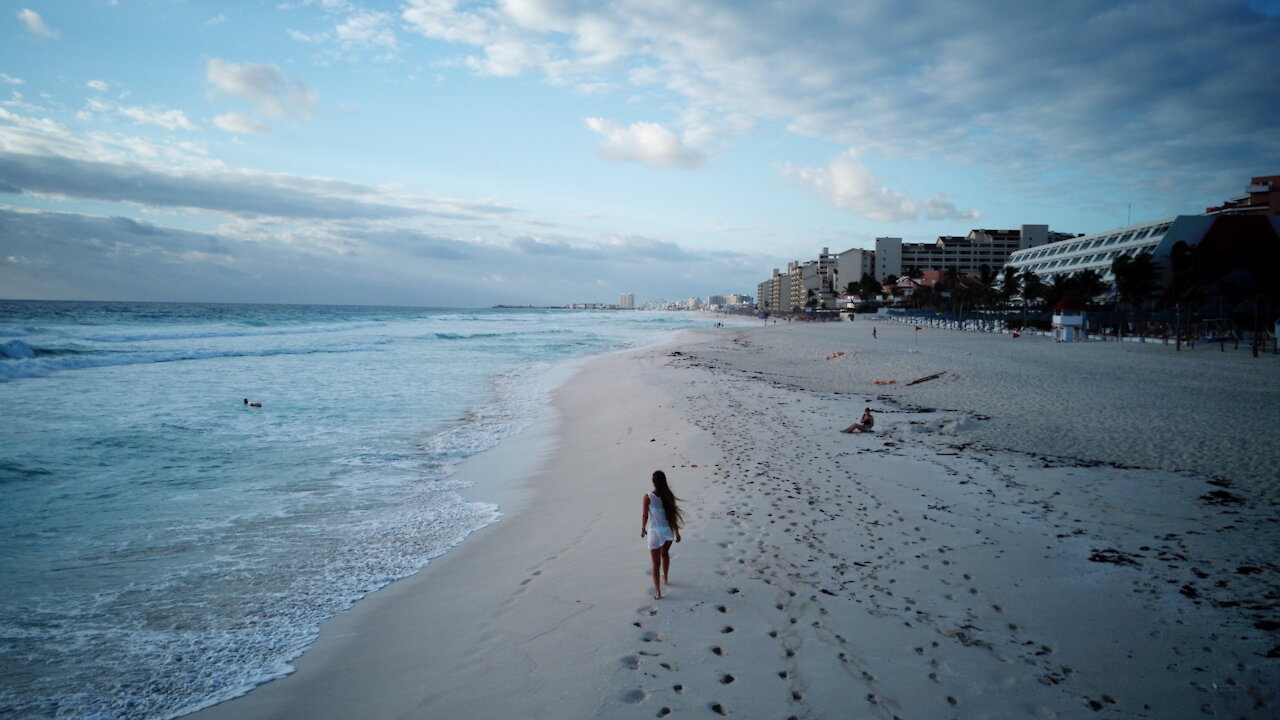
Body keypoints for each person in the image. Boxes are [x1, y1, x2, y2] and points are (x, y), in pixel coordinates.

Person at [641, 470, 683, 599]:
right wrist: (677, 532)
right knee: (664, 554)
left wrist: (643, 528)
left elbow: (645, 515)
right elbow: (673, 516)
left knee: (655, 564)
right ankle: (665, 577)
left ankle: (658, 592)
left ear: (653, 482)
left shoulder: (648, 496)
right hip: (667, 531)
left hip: (654, 532)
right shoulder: (668, 495)